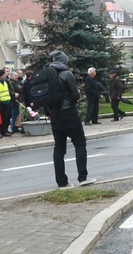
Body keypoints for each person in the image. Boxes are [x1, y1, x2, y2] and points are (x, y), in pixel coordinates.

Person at [48, 50, 95, 187]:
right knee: (80, 143)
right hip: (68, 112)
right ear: (64, 61)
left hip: (54, 115)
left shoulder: (48, 75)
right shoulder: (66, 73)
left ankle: (62, 183)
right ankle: (83, 177)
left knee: (59, 148)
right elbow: (75, 95)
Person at [0, 68, 13, 137]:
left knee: (7, 117)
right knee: (0, 118)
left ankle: (5, 130)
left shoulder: (5, 81)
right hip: (0, 103)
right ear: (0, 75)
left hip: (7, 101)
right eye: (4, 75)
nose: (5, 76)